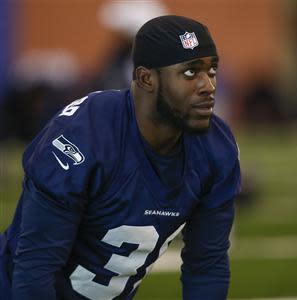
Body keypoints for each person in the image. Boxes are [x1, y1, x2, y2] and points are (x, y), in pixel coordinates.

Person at [0, 15, 241, 300]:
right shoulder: (86, 134)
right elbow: (35, 271)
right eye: (190, 73)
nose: (208, 85)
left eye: (211, 70)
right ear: (145, 78)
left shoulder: (215, 147)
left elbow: (207, 265)